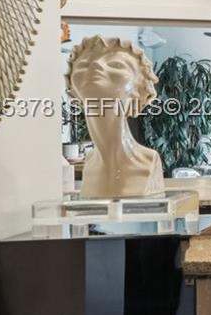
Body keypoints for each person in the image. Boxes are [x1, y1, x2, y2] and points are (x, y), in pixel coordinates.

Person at [67, 35, 166, 197]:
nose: (96, 65)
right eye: (84, 64)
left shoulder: (148, 162)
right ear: (73, 90)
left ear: (138, 91)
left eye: (116, 64)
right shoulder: (89, 163)